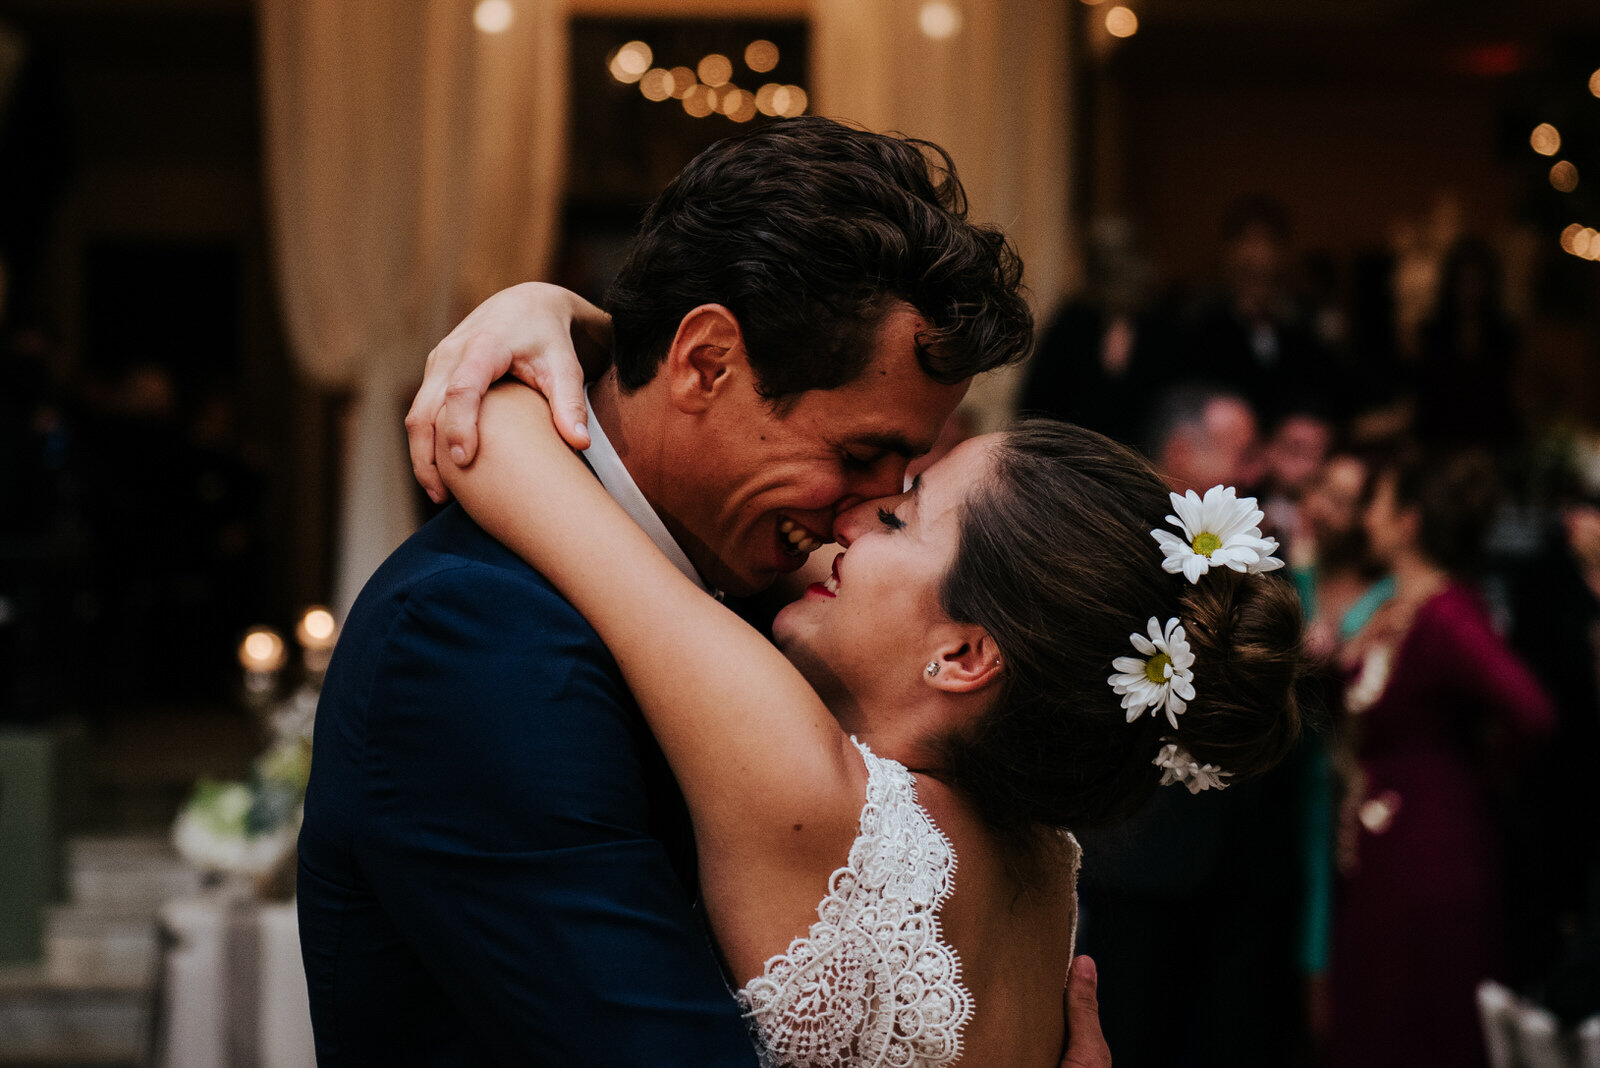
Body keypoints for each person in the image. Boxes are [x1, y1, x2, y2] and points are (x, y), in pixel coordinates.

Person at [300, 117, 1110, 1065]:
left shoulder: (798, 610)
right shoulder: (471, 635)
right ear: (705, 362)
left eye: (908, 477)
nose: (870, 514)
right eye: (861, 454)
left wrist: (562, 316)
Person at [441, 384, 1303, 1065]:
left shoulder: (811, 786)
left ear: (964, 656)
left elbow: (495, 441)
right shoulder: (1041, 853)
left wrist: (546, 312)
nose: (851, 519)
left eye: (899, 516)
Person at [1331, 446, 1555, 1068]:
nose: (1365, 517)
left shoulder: (1451, 613)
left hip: (1434, 848)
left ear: (1409, 519)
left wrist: (1472, 775)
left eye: (1376, 502)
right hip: (1383, 847)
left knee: (1421, 1019)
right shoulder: (1393, 608)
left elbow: (1531, 711)